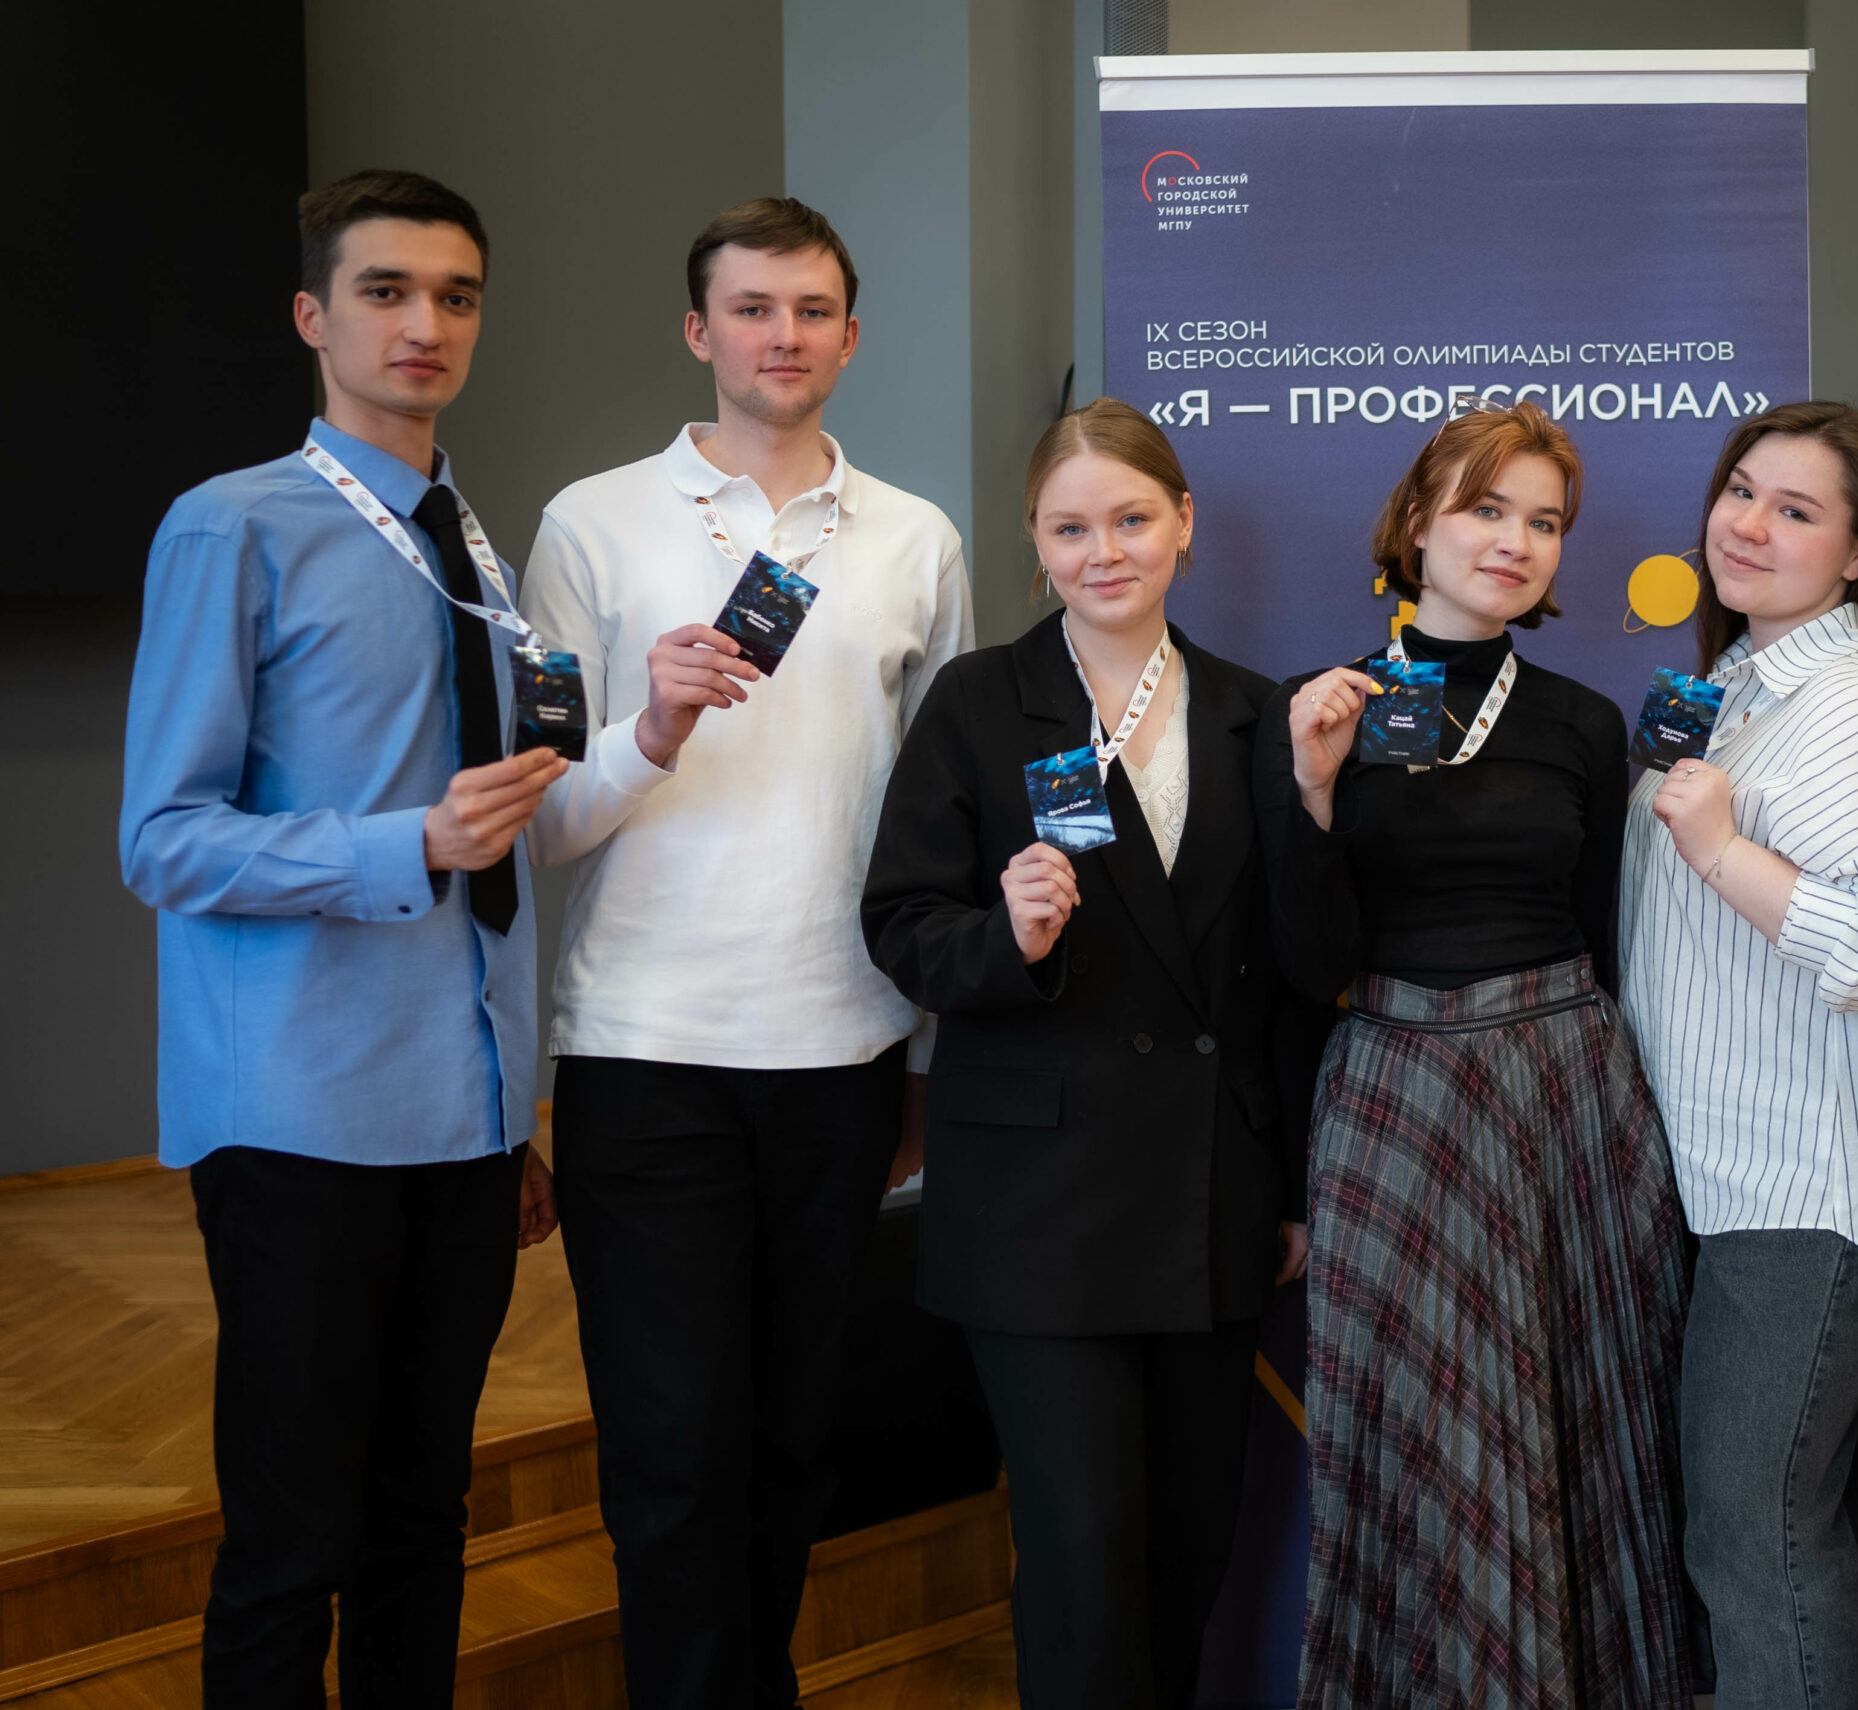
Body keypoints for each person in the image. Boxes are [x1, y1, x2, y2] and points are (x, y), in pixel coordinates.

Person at [517, 197, 973, 1705]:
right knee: (671, 1455)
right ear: (697, 330)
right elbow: (545, 822)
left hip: (844, 1052)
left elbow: (940, 824)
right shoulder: (591, 522)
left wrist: (921, 1052)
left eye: (812, 309)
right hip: (643, 1053)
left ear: (852, 335)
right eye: (754, 307)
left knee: (791, 1444)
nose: (785, 335)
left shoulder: (917, 538)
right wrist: (650, 728)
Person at [119, 169, 564, 1708]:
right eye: (385, 290)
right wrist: (406, 842)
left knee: (422, 1518)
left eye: (456, 294)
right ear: (314, 317)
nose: (424, 322)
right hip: (301, 1115)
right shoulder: (230, 526)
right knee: (291, 1536)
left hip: (462, 1115)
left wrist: (512, 1114)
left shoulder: (474, 547)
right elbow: (162, 838)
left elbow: (512, 822)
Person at [863, 399, 1314, 1709]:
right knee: (1080, 1561)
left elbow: (1288, 976)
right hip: (1036, 1205)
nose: (1102, 551)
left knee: (1187, 1550)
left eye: (1130, 519)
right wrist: (1005, 936)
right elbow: (900, 925)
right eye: (1070, 528)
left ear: (1184, 522)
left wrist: (1287, 1183)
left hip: (1209, 1196)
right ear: (1035, 540)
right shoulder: (977, 701)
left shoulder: (1257, 713)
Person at [1257, 400, 1693, 1707]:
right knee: (1415, 1431)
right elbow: (1303, 962)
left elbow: (1613, 938)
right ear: (1417, 521)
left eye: (1543, 521)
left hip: (1566, 1096)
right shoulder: (1321, 706)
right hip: (1393, 1094)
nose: (1514, 540)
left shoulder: (1582, 722)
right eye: (1486, 508)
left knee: (1580, 1425)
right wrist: (1313, 788)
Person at [1622, 401, 1858, 1710]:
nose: (1749, 525)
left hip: (1806, 1185)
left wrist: (1723, 851)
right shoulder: (1744, 684)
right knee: (1813, 1513)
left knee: (1752, 1532)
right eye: (1741, 491)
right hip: (1748, 1171)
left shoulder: (1854, 715)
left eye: (1797, 510)